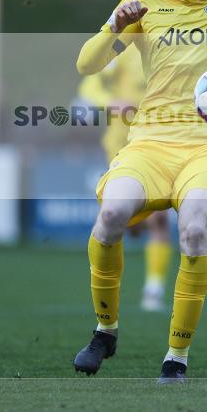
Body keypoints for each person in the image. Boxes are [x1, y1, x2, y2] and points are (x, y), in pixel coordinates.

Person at [73, 0, 207, 383]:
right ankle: (105, 331)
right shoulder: (142, 1)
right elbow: (87, 65)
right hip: (150, 141)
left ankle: (176, 357)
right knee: (111, 215)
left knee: (194, 231)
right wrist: (114, 26)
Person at [76, 46, 174, 313]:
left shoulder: (175, 47)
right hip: (122, 146)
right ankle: (108, 289)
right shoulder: (123, 49)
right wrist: (111, 103)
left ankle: (153, 290)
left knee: (159, 219)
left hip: (160, 144)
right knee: (126, 221)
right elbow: (89, 86)